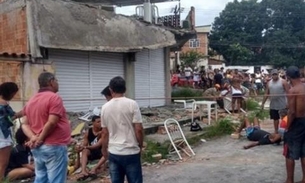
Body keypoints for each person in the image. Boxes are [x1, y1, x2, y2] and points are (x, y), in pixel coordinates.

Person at [21, 72, 71, 183]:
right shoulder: (54, 98)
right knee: (55, 180)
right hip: (53, 146)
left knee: (41, 178)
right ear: (51, 82)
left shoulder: (31, 100)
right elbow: (52, 122)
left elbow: (24, 124)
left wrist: (33, 137)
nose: (58, 84)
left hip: (38, 148)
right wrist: (40, 138)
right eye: (57, 81)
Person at [101, 76, 144, 183]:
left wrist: (104, 149)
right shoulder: (132, 104)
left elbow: (104, 132)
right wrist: (140, 145)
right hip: (131, 151)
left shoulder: (105, 107)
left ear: (110, 90)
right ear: (125, 89)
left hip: (114, 152)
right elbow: (138, 129)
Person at [283, 66, 305, 183]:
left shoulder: (293, 91)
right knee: (304, 152)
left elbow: (292, 112)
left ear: (289, 77)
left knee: (289, 153)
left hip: (296, 122)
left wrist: (287, 128)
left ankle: (289, 180)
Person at [76, 116, 106, 181]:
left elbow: (97, 145)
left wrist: (85, 147)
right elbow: (85, 144)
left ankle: (94, 169)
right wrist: (80, 148)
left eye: (101, 121)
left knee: (106, 153)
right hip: (92, 152)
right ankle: (83, 171)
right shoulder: (88, 132)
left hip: (100, 151)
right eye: (98, 122)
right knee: (84, 151)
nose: (100, 123)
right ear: (93, 123)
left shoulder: (103, 131)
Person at [0, 82, 19, 181]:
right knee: (3, 164)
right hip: (3, 135)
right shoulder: (3, 104)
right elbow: (11, 117)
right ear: (10, 92)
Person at [261, 69, 290, 134]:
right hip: (273, 104)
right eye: (273, 74)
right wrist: (263, 103)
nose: (274, 76)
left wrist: (289, 102)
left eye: (275, 74)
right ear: (271, 75)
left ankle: (285, 130)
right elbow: (266, 93)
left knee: (284, 118)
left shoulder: (283, 82)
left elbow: (288, 93)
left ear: (278, 74)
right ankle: (276, 131)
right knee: (275, 118)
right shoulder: (269, 83)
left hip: (282, 103)